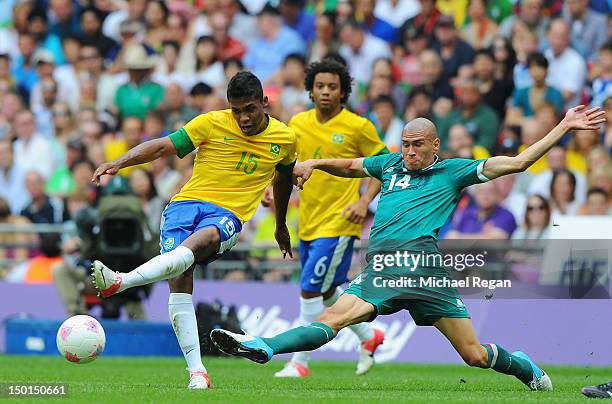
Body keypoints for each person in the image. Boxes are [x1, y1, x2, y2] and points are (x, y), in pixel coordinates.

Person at [210, 105, 605, 392]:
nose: (410, 152)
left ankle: (523, 367)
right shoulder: (391, 166)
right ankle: (262, 345)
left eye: (417, 145)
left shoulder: (453, 171)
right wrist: (314, 162)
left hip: (424, 269)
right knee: (332, 318)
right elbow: (350, 166)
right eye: (405, 145)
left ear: (435, 145)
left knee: (474, 355)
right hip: (385, 264)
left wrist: (564, 126)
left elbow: (519, 162)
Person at [91, 72, 297, 389]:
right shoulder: (210, 123)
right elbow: (163, 147)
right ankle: (197, 372)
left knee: (204, 240)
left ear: (264, 103)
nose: (243, 117)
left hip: (228, 214)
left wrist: (281, 224)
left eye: (250, 109)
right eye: (236, 110)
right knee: (179, 277)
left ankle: (122, 281)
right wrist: (120, 161)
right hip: (184, 205)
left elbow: (283, 180)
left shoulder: (285, 139)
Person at [273, 58, 387, 379]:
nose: (325, 92)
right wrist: (271, 191)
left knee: (309, 289)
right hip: (308, 222)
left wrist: (364, 201)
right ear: (310, 90)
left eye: (332, 87)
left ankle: (300, 363)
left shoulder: (358, 126)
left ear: (343, 91)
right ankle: (369, 336)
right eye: (319, 86)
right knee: (326, 292)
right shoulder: (297, 123)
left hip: (339, 224)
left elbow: (383, 166)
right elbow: (283, 165)